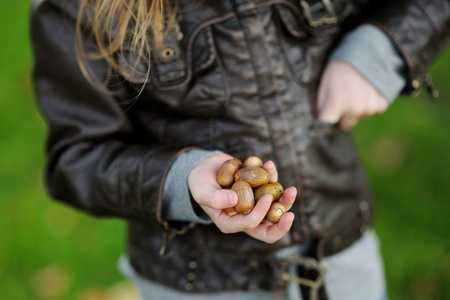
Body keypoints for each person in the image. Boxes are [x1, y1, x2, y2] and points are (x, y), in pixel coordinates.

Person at [31, 0, 450, 299]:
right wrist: (183, 179)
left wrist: (380, 51)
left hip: (342, 261)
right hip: (198, 286)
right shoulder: (74, 10)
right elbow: (78, 158)